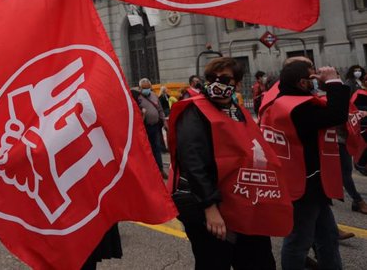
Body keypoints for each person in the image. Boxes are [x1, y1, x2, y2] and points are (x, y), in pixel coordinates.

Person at [168, 57, 292, 270]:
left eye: (224, 78)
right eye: (211, 78)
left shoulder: (240, 112)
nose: (217, 82)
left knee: (259, 260)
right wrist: (209, 207)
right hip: (205, 204)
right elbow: (193, 161)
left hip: (242, 200)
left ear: (236, 83)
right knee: (215, 261)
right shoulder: (193, 111)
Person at [260, 61, 349, 270]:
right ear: (302, 82)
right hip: (303, 185)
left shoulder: (283, 100)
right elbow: (336, 115)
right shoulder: (296, 107)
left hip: (311, 182)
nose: (316, 81)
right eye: (312, 77)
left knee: (327, 237)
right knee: (299, 241)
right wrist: (334, 81)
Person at [132, 78, 166, 177]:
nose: (146, 89)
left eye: (148, 87)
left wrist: (164, 121)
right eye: (144, 88)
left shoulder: (154, 96)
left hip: (155, 127)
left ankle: (160, 170)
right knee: (147, 150)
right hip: (145, 128)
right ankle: (150, 173)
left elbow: (160, 110)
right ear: (140, 88)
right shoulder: (137, 97)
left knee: (157, 148)